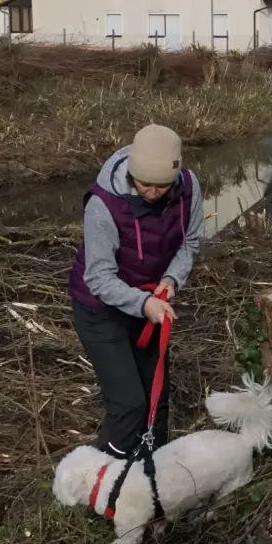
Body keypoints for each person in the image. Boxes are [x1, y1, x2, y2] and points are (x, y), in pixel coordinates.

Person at [69, 124, 204, 459]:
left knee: (156, 401)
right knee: (130, 405)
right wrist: (143, 303)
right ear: (131, 174)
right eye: (145, 184)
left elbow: (190, 242)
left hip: (149, 307)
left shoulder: (188, 188)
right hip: (100, 312)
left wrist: (171, 279)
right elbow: (98, 278)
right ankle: (96, 483)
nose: (153, 192)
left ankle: (151, 476)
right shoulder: (103, 204)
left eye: (162, 185)